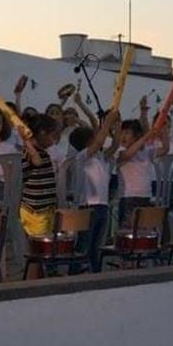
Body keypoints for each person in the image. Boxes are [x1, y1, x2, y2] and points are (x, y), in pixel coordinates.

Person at [69, 109, 120, 273]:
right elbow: (99, 142)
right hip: (88, 206)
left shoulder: (100, 157)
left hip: (102, 205)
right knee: (85, 242)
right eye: (94, 137)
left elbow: (116, 144)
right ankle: (76, 270)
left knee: (97, 244)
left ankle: (94, 271)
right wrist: (107, 123)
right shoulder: (82, 156)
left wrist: (117, 124)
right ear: (89, 141)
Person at [19, 114, 61, 279]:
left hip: (46, 208)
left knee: (42, 251)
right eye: (52, 135)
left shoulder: (44, 153)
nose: (54, 139)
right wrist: (27, 141)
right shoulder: (29, 153)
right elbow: (35, 163)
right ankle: (31, 283)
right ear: (42, 133)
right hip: (34, 210)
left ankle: (38, 279)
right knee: (36, 251)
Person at [116, 117, 169, 227]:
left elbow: (165, 149)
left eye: (127, 133)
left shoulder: (146, 151)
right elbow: (127, 155)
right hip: (128, 197)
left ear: (136, 136)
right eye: (122, 133)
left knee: (142, 230)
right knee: (127, 231)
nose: (123, 136)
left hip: (145, 196)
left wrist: (164, 131)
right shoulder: (120, 151)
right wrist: (146, 137)